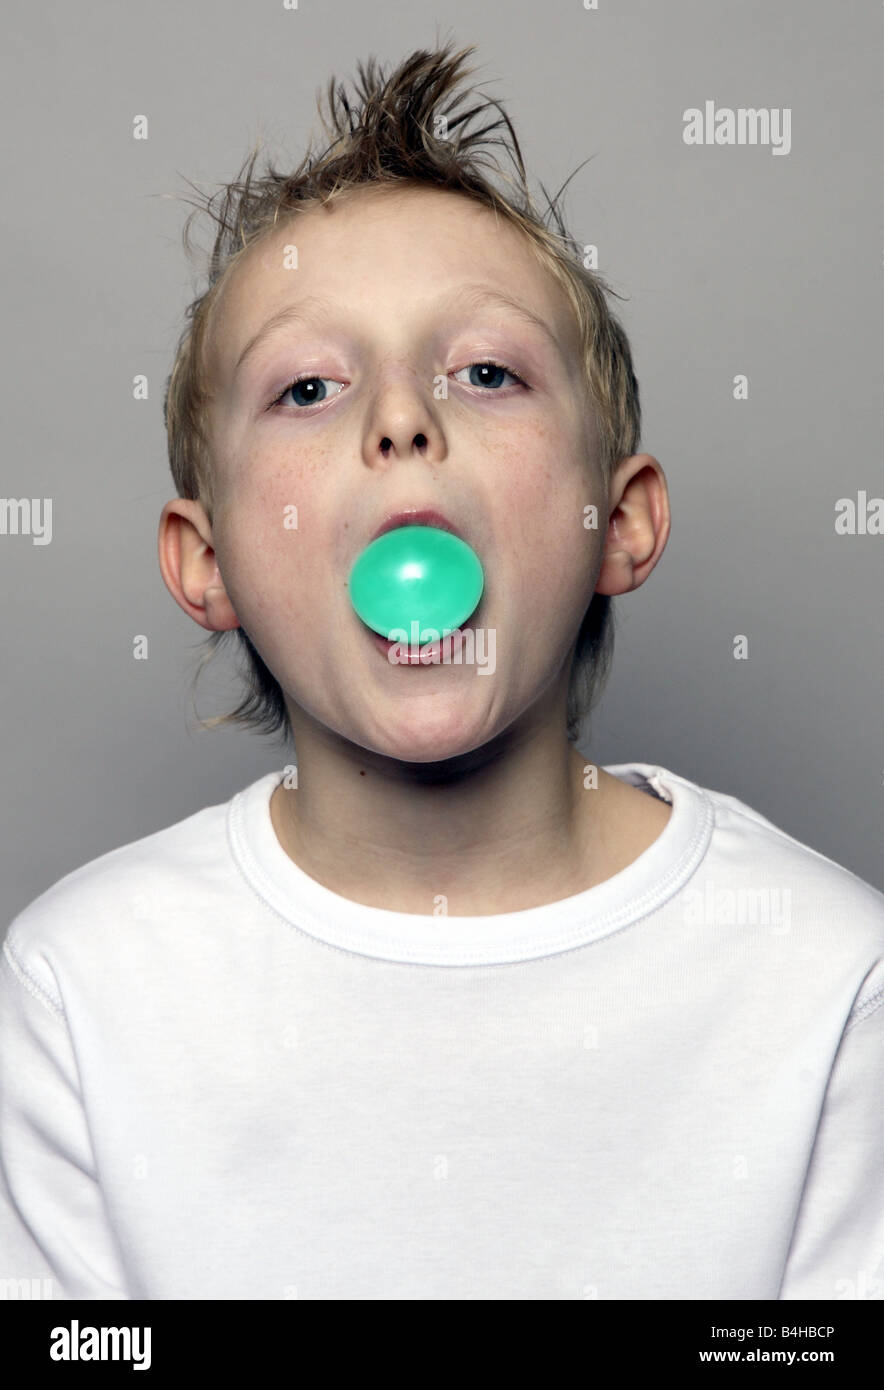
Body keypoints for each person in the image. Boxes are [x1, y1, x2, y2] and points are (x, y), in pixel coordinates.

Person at [1, 41, 882, 1302]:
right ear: (210, 566)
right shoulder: (78, 991)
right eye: (307, 386)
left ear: (616, 524)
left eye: (485, 372)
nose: (402, 420)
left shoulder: (829, 977)